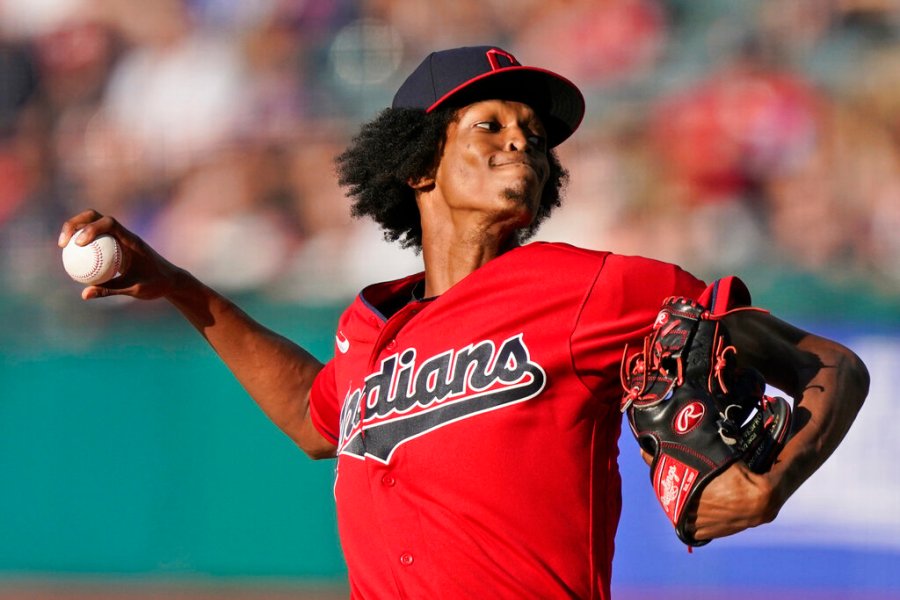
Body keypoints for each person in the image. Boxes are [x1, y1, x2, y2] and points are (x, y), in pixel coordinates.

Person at [58, 46, 869, 599]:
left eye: (534, 133)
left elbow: (829, 362)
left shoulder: (597, 287)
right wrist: (175, 284)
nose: (522, 137)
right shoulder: (367, 325)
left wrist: (771, 479)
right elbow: (316, 417)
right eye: (490, 124)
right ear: (415, 163)